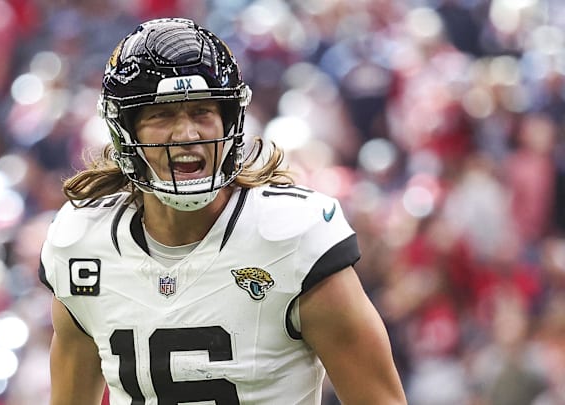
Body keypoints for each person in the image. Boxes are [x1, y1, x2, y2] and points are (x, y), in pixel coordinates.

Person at [39, 17, 406, 405]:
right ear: (126, 132)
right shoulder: (84, 245)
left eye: (202, 112)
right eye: (162, 115)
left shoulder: (292, 238)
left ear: (230, 119)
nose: (187, 135)